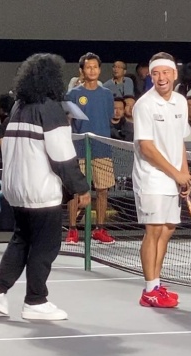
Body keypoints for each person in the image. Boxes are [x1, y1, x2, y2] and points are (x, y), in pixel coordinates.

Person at [0, 53, 91, 320]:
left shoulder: (18, 107)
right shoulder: (51, 109)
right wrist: (81, 187)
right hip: (40, 192)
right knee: (46, 245)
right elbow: (62, 156)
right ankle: (35, 301)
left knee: (21, 240)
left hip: (16, 190)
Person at [132, 52, 191, 308]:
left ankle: (156, 285)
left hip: (173, 177)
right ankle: (148, 290)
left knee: (167, 231)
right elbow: (146, 147)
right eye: (156, 73)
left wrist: (185, 177)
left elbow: (179, 142)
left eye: (165, 72)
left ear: (174, 74)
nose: (161, 78)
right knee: (154, 231)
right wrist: (175, 173)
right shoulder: (144, 106)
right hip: (152, 178)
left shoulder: (180, 102)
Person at [65, 52, 116, 244]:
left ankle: (100, 229)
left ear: (99, 69)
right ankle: (72, 230)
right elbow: (67, 121)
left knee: (102, 190)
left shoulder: (107, 95)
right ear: (81, 70)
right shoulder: (72, 95)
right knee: (76, 191)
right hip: (78, 149)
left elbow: (109, 117)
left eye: (95, 67)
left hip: (102, 149)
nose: (92, 70)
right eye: (88, 67)